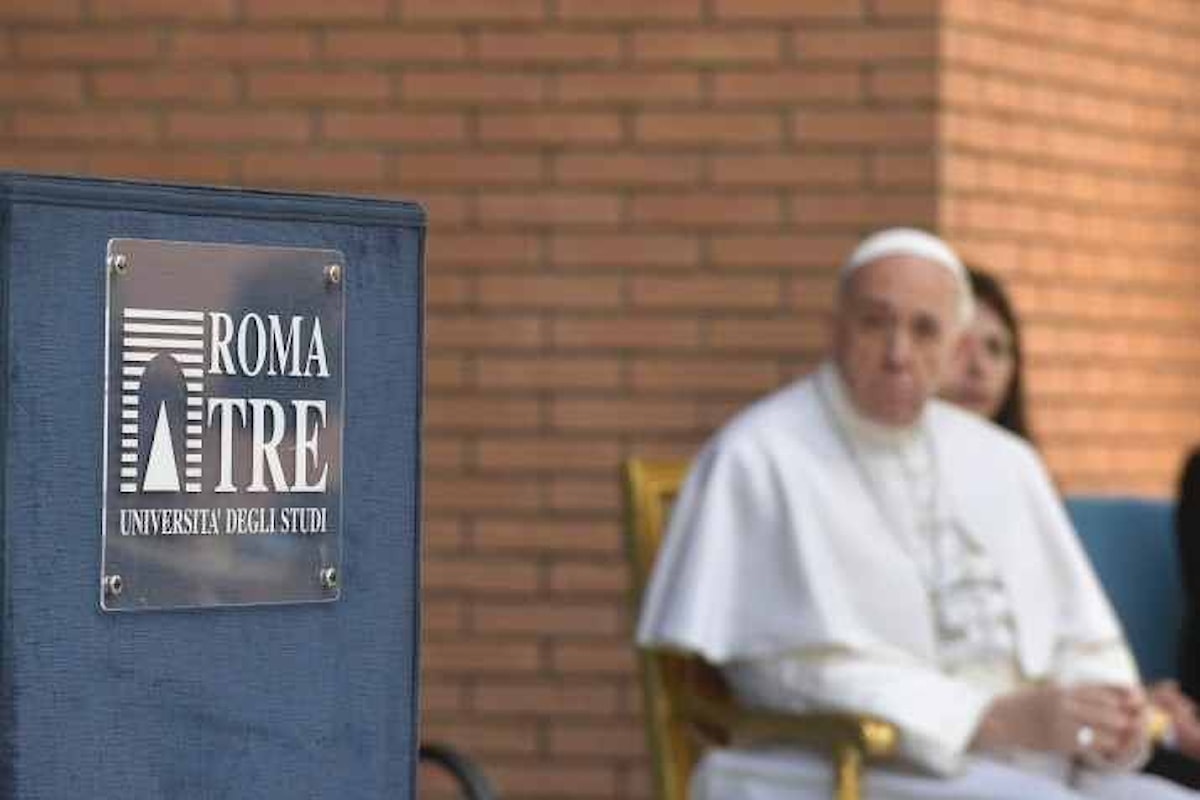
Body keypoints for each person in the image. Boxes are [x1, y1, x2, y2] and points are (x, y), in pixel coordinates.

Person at [636, 228, 1197, 799]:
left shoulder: (1004, 461)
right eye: (875, 323)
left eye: (924, 329)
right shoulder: (759, 456)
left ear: (954, 348)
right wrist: (986, 717)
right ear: (834, 329)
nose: (898, 352)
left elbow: (1083, 638)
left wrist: (1101, 713)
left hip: (1030, 758)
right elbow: (780, 671)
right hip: (845, 762)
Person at [941, 265, 1200, 788]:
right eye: (959, 343)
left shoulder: (1028, 484)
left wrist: (1123, 702)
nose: (979, 368)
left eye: (997, 349)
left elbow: (1075, 643)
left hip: (1079, 741)